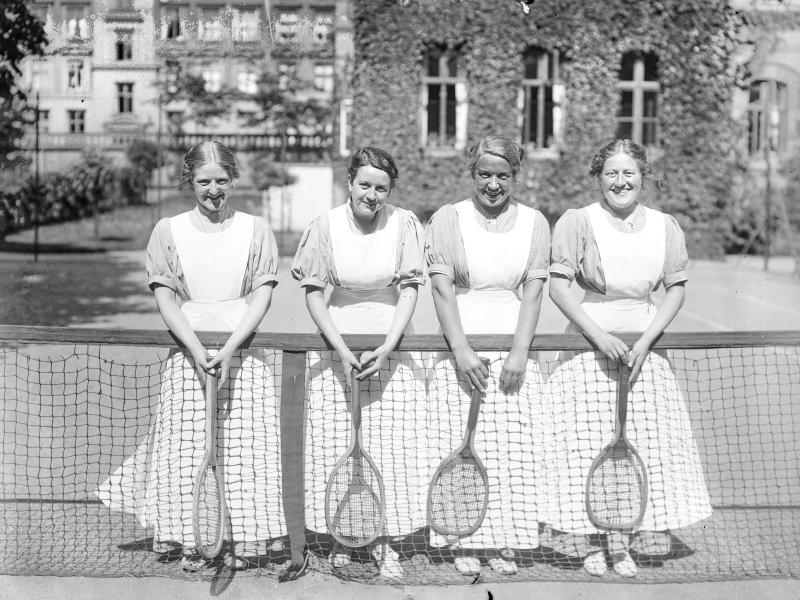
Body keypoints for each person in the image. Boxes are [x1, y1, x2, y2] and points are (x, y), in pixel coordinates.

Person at [96, 141, 285, 571]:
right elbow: (165, 297)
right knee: (185, 446)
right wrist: (198, 350)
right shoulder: (168, 229)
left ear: (233, 179)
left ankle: (247, 538)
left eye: (222, 180)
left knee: (247, 445)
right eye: (204, 181)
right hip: (188, 353)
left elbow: (262, 294)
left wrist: (232, 346)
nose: (214, 190)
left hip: (244, 351)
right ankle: (189, 538)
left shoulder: (256, 229)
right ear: (190, 182)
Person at [545, 139, 713, 577]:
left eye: (628, 174)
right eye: (611, 174)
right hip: (586, 348)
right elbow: (559, 289)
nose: (620, 183)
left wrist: (644, 342)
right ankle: (589, 542)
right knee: (584, 446)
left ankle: (621, 542)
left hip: (643, 354)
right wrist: (600, 337)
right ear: (599, 177)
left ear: (643, 177)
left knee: (638, 445)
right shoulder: (577, 222)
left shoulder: (665, 225)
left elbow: (675, 290)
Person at [291, 146, 426, 580]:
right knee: (337, 442)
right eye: (364, 184)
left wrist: (388, 345)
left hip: (390, 346)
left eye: (381, 187)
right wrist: (342, 350)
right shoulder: (325, 226)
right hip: (338, 346)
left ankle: (385, 542)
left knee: (388, 445)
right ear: (349, 183)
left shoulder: (404, 223)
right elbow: (314, 293)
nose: (372, 195)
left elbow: (409, 290)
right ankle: (341, 537)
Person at [424, 135, 550, 576]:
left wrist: (519, 352)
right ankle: (461, 537)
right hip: (460, 351)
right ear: (471, 174)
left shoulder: (535, 221)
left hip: (514, 356)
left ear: (516, 175)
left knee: (509, 451)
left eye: (503, 175)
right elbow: (442, 290)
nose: (493, 184)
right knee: (457, 447)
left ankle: (505, 540)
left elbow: (533, 294)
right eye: (484, 174)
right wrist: (460, 350)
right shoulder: (448, 218)